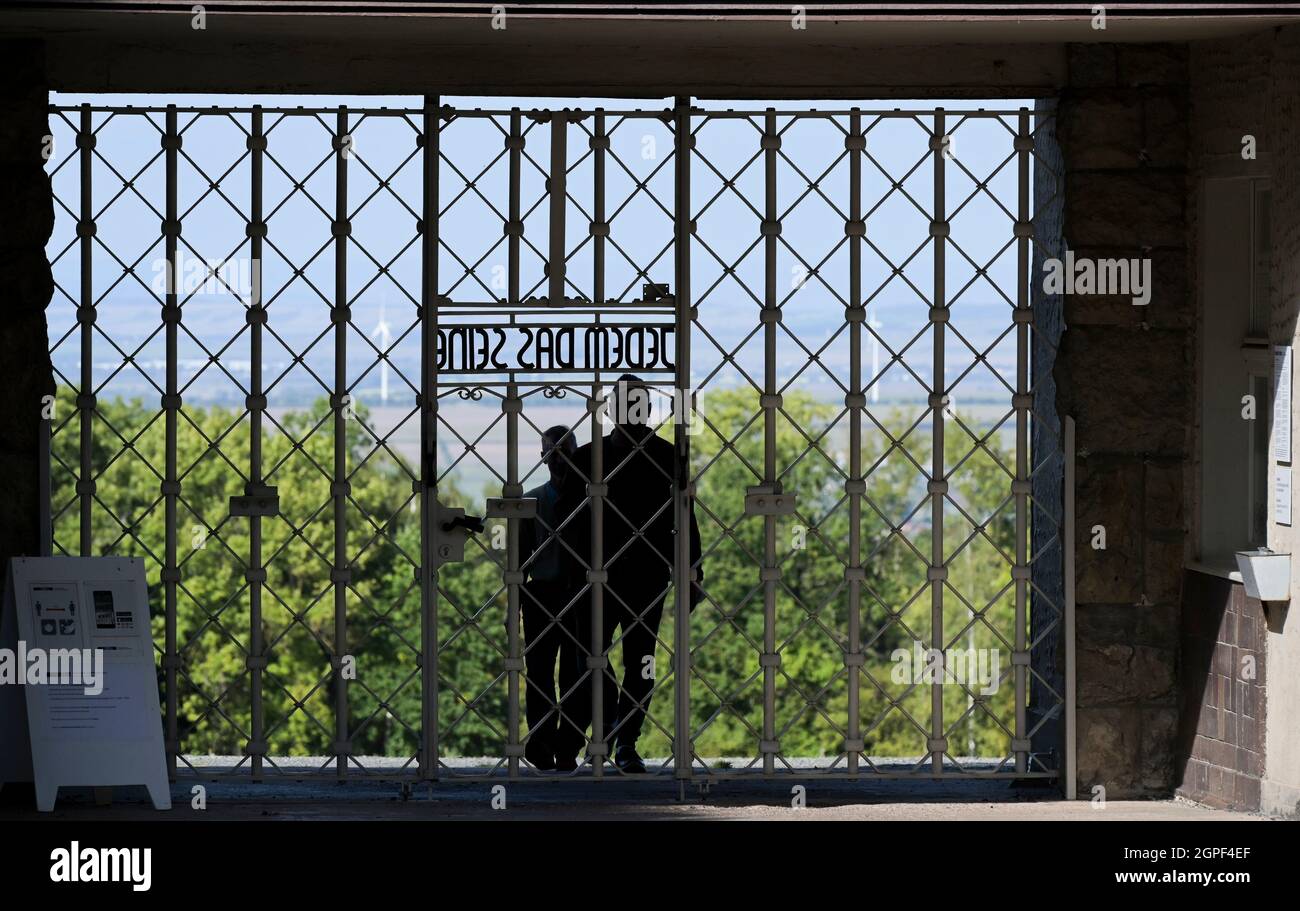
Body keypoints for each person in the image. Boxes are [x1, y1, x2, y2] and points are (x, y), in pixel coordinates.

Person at [568, 375, 703, 773]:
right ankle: (619, 733)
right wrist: (691, 569)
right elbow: (685, 516)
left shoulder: (604, 457)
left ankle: (622, 737)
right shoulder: (661, 456)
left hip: (629, 576)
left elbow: (684, 514)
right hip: (610, 575)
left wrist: (691, 568)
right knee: (604, 658)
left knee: (633, 660)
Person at [518, 425, 586, 772]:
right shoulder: (589, 499)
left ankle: (558, 745)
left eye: (563, 450)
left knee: (567, 673)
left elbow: (519, 561)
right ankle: (552, 745)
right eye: (552, 451)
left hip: (566, 592)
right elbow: (518, 558)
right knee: (545, 674)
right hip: (550, 594)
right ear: (543, 456)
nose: (557, 458)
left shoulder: (535, 501)